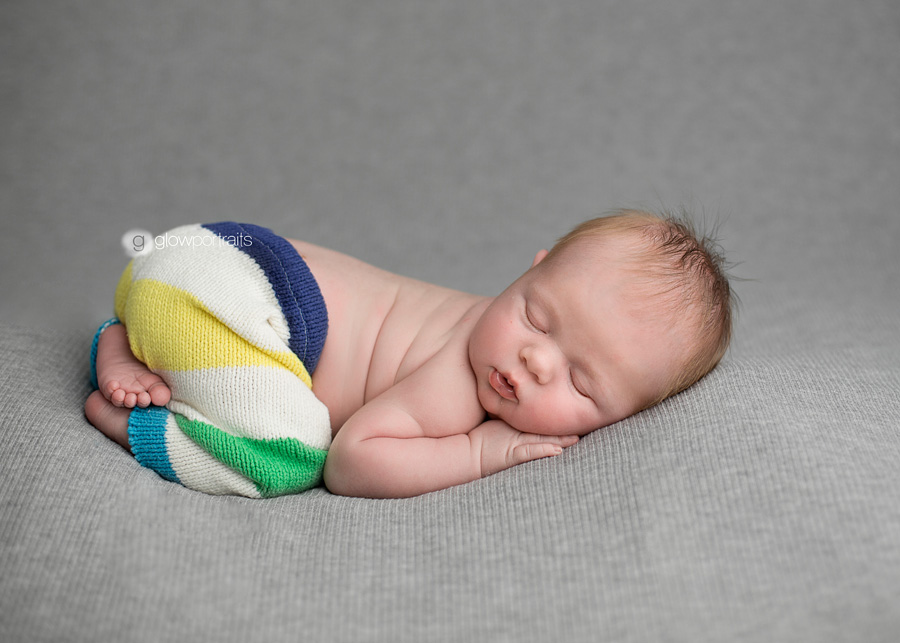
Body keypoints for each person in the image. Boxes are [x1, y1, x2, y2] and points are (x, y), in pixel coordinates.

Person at [84, 209, 732, 499]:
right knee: (286, 456)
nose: (535, 359)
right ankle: (144, 425)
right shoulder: (460, 373)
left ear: (624, 414)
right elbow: (353, 460)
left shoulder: (499, 346)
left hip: (192, 261)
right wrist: (477, 452)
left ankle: (128, 339)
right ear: (529, 271)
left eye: (582, 381)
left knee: (235, 361)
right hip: (230, 291)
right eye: (536, 315)